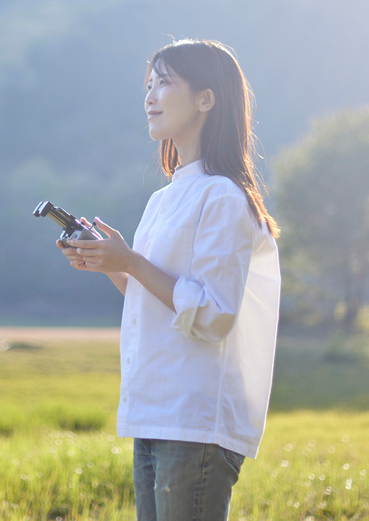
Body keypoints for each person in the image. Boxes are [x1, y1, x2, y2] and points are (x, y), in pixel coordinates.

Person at [58, 38, 282, 521]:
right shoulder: (164, 198)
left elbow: (214, 315)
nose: (150, 96)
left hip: (196, 417)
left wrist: (132, 263)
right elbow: (159, 299)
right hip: (154, 409)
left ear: (206, 99)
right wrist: (113, 263)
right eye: (149, 84)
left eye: (165, 83)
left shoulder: (222, 197)